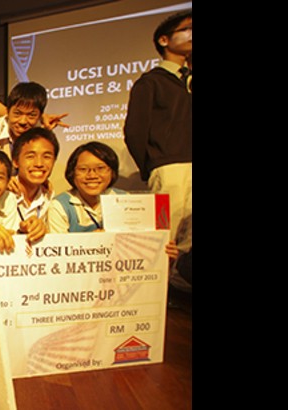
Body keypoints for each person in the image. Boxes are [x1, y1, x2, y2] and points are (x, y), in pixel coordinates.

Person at [123, 10, 191, 290]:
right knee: (167, 239)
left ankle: (183, 290)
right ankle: (159, 296)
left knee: (188, 242)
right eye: (186, 30)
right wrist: (153, 164)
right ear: (164, 40)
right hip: (169, 168)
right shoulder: (151, 82)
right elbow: (135, 132)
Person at [47, 142, 178, 257]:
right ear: (72, 173)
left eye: (100, 168)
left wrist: (163, 254)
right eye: (83, 169)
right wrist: (90, 243)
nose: (92, 175)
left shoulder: (125, 199)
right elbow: (58, 254)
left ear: (112, 172)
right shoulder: (59, 205)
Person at [10, 127, 59, 240]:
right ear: (15, 161)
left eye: (47, 156)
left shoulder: (49, 195)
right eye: (30, 156)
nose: (39, 163)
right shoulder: (4, 192)